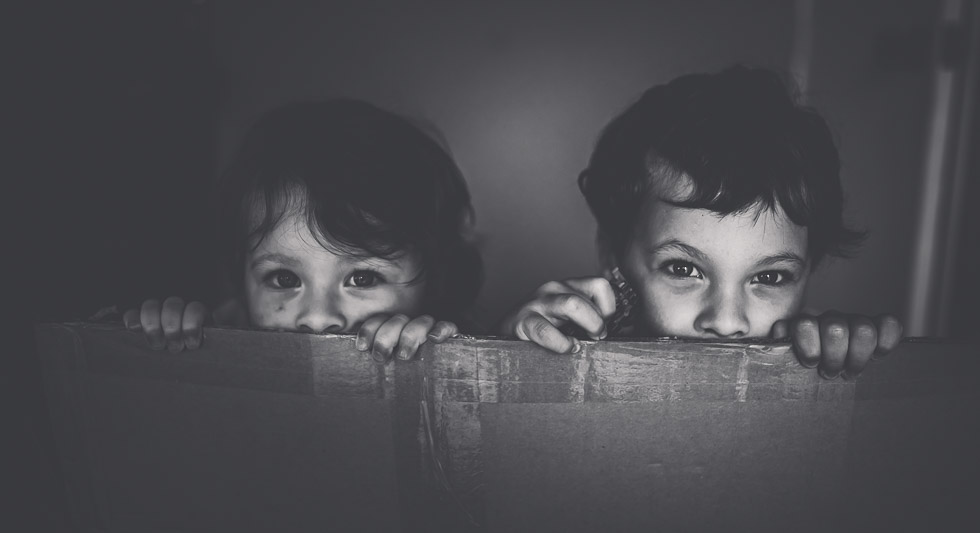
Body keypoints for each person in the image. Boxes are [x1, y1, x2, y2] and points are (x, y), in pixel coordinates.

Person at [498, 66, 902, 379]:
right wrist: (510, 354)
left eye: (772, 278)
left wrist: (845, 350)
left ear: (809, 268)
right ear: (613, 253)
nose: (727, 323)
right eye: (683, 268)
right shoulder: (579, 344)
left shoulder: (813, 351)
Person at [124, 99, 482, 364]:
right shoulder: (227, 326)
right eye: (283, 279)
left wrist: (434, 344)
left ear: (434, 283)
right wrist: (174, 332)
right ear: (242, 281)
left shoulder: (439, 337)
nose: (317, 317)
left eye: (362, 278)